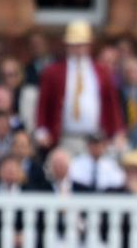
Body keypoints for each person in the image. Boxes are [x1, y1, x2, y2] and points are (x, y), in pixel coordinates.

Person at [36, 20, 125, 155]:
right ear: (67, 46)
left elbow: (112, 104)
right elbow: (43, 104)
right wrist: (42, 129)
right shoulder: (52, 72)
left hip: (96, 138)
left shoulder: (102, 72)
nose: (78, 49)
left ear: (89, 46)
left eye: (81, 45)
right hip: (66, 137)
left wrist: (118, 131)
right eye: (74, 45)